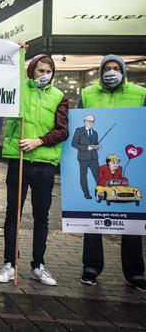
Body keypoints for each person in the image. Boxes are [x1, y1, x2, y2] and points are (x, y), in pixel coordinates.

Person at [0, 53, 69, 286]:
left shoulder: (59, 96)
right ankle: (10, 264)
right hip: (20, 161)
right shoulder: (20, 90)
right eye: (41, 71)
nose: (45, 75)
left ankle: (38, 265)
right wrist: (20, 53)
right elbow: (13, 73)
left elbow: (62, 130)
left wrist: (38, 141)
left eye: (49, 72)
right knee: (12, 214)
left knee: (41, 217)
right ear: (31, 71)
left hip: (45, 165)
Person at [77, 55, 146, 291]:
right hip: (97, 160)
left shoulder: (140, 93)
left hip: (129, 161)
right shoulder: (87, 94)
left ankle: (135, 272)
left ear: (124, 71)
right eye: (107, 68)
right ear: (100, 71)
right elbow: (79, 124)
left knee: (131, 222)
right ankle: (91, 267)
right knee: (94, 217)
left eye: (117, 68)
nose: (112, 71)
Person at [70, 113, 101, 199]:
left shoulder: (95, 133)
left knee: (98, 175)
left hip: (94, 158)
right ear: (85, 121)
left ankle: (101, 192)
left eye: (92, 121)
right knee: (83, 176)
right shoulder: (79, 130)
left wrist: (97, 147)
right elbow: (74, 144)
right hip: (83, 158)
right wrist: (86, 148)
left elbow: (95, 144)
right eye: (89, 121)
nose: (91, 123)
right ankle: (86, 193)